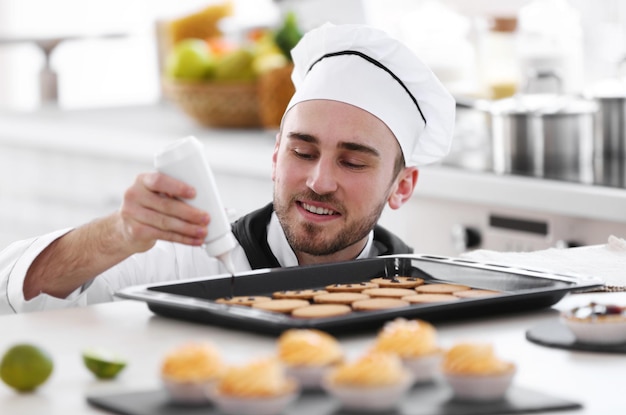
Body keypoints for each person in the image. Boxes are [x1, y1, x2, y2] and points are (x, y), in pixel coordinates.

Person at [0, 23, 455, 314]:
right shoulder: (186, 263)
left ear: (402, 186)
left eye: (353, 161)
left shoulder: (421, 294)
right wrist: (118, 233)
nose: (319, 181)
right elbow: (17, 293)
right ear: (276, 154)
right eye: (302, 151)